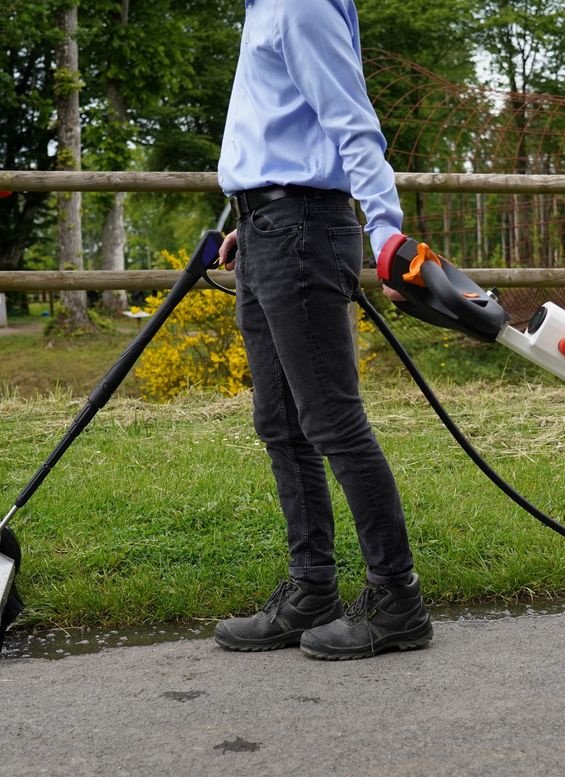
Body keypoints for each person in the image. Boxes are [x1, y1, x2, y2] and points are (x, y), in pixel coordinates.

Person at [213, 0, 431, 660]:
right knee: (279, 422)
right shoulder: (263, 10)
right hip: (267, 228)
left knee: (332, 420)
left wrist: (386, 231)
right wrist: (249, 220)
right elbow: (280, 126)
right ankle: (311, 589)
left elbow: (351, 122)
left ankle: (397, 599)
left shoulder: (300, 4)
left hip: (301, 229)